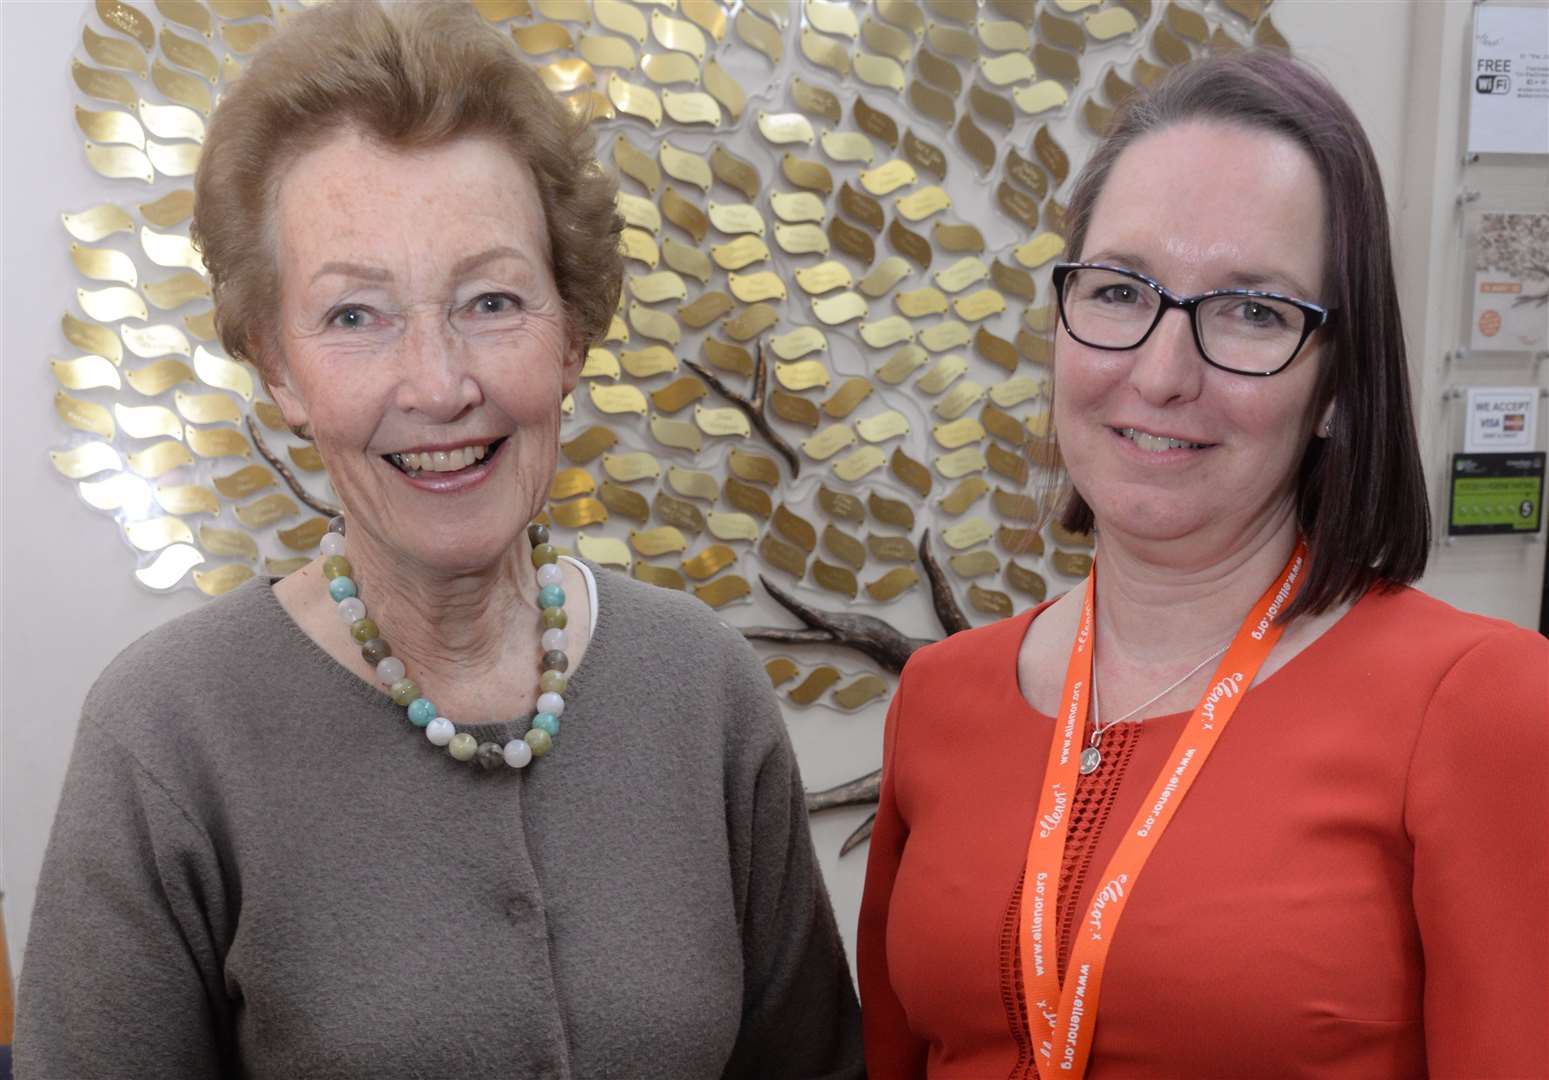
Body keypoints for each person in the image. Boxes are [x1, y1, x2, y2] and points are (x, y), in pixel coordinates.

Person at [16, 4, 863, 1077]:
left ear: (571, 332)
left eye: (492, 299)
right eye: (356, 316)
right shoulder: (168, 735)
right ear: (278, 367)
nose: (439, 384)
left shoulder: (701, 687)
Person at [858, 49, 1547, 1079]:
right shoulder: (939, 697)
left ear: (1337, 391)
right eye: (1118, 289)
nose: (1161, 371)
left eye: (1252, 312)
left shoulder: (1483, 705)